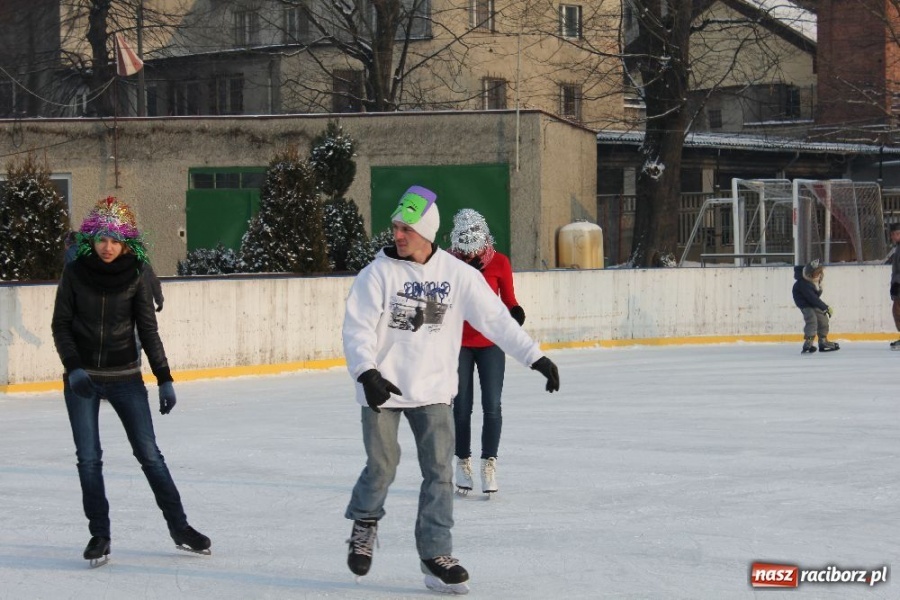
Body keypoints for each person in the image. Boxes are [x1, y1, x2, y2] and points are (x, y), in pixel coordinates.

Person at [341, 185, 559, 594]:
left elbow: (496, 319)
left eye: (406, 228)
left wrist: (535, 357)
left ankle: (435, 553)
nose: (398, 235)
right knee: (382, 467)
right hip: (381, 389)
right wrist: (366, 372)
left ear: (427, 232)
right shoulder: (376, 275)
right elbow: (356, 329)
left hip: (434, 390)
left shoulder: (457, 275)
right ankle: (365, 523)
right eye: (396, 227)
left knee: (440, 474)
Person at [51, 196, 209, 567]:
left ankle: (180, 527)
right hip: (83, 379)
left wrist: (164, 377)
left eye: (115, 240)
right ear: (92, 238)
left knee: (150, 455)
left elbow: (148, 331)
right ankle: (99, 535)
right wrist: (74, 368)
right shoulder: (74, 273)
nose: (108, 246)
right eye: (102, 238)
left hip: (125, 378)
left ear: (126, 243)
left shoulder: (137, 273)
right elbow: (60, 325)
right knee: (89, 459)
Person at [448, 209, 525, 496]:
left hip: (491, 344)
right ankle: (462, 462)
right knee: (462, 406)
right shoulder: (447, 264)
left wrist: (515, 315)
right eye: (463, 252)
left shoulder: (500, 263)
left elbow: (510, 300)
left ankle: (489, 462)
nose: (468, 256)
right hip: (458, 345)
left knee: (492, 405)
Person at [792, 259, 839, 353]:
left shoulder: (813, 282)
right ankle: (808, 342)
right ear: (809, 274)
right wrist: (825, 307)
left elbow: (814, 298)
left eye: (819, 273)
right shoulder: (803, 283)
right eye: (816, 273)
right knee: (812, 320)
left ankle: (823, 341)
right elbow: (812, 298)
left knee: (823, 319)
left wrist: (823, 308)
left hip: (812, 303)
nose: (818, 275)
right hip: (805, 304)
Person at [886, 222, 900, 349]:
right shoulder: (898, 248)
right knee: (896, 311)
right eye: (892, 234)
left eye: (896, 234)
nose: (893, 237)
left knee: (897, 310)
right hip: (897, 284)